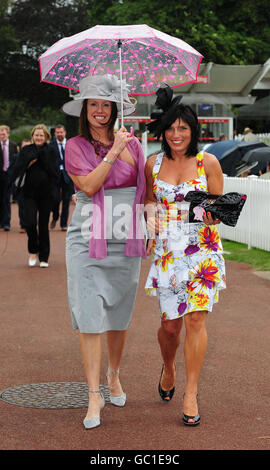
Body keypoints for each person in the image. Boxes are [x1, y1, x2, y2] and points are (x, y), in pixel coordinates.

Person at [63, 74, 146, 429]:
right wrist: (113, 151)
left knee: (118, 310)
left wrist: (152, 221)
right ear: (85, 109)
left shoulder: (135, 144)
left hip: (126, 232)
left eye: (105, 104)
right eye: (93, 104)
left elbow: (147, 186)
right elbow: (89, 184)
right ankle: (94, 392)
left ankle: (114, 374)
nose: (99, 110)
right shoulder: (76, 146)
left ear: (115, 109)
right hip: (87, 235)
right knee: (90, 313)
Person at [144, 86, 226, 426]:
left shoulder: (208, 162)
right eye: (171, 128)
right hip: (167, 251)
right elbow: (149, 200)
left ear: (193, 131)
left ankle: (191, 392)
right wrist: (149, 219)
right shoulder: (153, 163)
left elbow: (220, 206)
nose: (177, 134)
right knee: (170, 327)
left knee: (196, 320)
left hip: (202, 249)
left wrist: (214, 214)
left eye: (183, 128)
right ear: (163, 131)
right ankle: (169, 365)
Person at [10, 124, 60, 267]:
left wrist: (43, 160)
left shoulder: (51, 151)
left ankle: (44, 257)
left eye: (41, 135)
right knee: (30, 223)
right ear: (33, 136)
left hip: (46, 194)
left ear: (46, 137)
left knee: (43, 226)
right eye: (36, 135)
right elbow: (18, 168)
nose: (39, 137)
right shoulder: (26, 150)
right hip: (28, 194)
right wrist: (29, 161)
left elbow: (55, 172)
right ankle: (33, 250)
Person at [49, 124, 74, 231]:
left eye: (61, 132)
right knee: (55, 199)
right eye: (57, 132)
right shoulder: (50, 145)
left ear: (65, 132)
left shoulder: (71, 144)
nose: (59, 134)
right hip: (54, 176)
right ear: (55, 134)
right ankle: (55, 216)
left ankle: (63, 224)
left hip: (68, 176)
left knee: (66, 200)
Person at [10, 138, 31, 233]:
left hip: (33, 184)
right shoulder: (16, 157)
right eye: (24, 146)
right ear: (20, 147)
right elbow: (12, 170)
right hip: (20, 184)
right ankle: (23, 225)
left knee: (32, 206)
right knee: (21, 205)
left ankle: (31, 224)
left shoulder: (36, 156)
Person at [0, 125, 17, 231]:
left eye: (3, 134)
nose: (2, 135)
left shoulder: (13, 145)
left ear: (8, 134)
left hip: (9, 175)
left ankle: (6, 222)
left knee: (7, 199)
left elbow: (16, 160)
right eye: (0, 134)